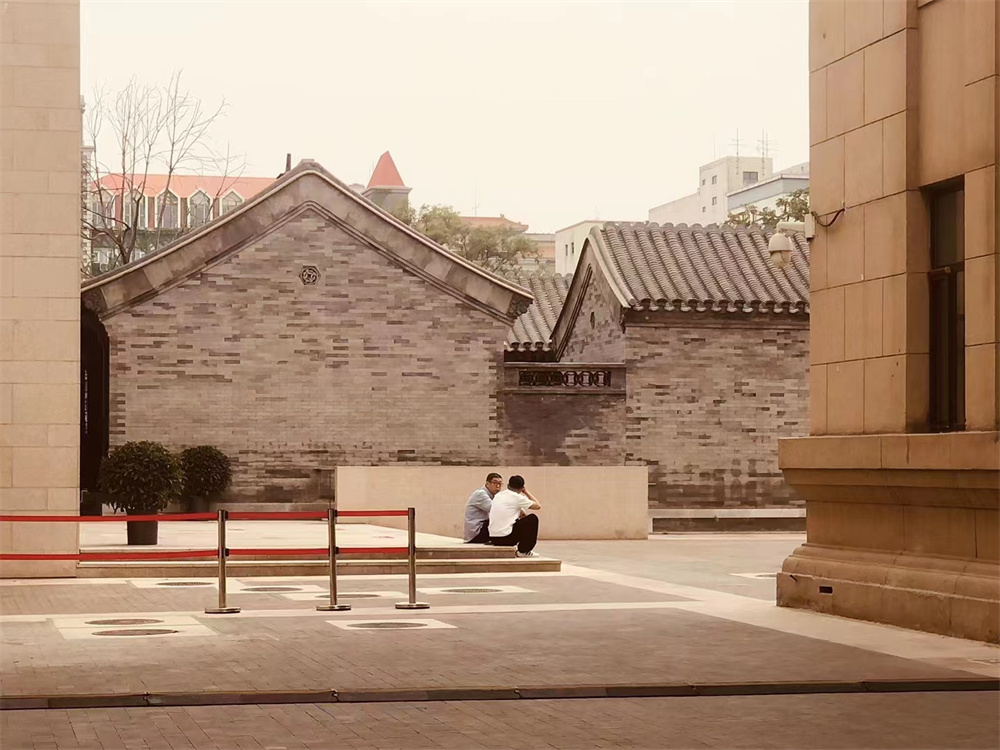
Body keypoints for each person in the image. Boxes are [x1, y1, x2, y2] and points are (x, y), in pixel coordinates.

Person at [488, 474, 541, 556]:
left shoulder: (498, 495)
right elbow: (537, 506)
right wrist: (526, 492)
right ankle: (524, 551)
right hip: (506, 538)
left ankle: (522, 549)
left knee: (524, 519)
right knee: (532, 519)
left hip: (493, 538)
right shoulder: (517, 497)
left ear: (508, 485)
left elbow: (518, 511)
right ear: (521, 488)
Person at [464, 473, 503, 543]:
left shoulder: (494, 496)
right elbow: (496, 510)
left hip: (482, 529)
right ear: (487, 484)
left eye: (500, 484)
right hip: (476, 533)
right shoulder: (480, 494)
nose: (498, 486)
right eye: (495, 483)